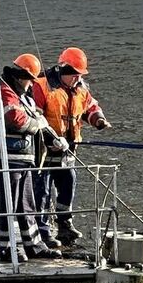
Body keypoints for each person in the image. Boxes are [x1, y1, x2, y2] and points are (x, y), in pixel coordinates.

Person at [0, 61, 57, 260]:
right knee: (8, 203)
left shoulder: (22, 96)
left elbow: (33, 119)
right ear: (20, 77)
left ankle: (34, 246)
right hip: (3, 156)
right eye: (30, 80)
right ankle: (6, 248)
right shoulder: (3, 92)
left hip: (21, 159)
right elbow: (15, 119)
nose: (32, 85)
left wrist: (54, 138)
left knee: (26, 203)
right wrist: (36, 123)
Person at [39, 46, 112, 248]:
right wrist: (50, 138)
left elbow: (90, 107)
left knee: (68, 184)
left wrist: (98, 120)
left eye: (79, 75)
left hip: (68, 151)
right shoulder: (43, 85)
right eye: (74, 74)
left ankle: (65, 224)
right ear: (62, 70)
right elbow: (35, 116)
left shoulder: (81, 88)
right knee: (42, 191)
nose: (76, 78)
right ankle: (43, 230)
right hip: (45, 152)